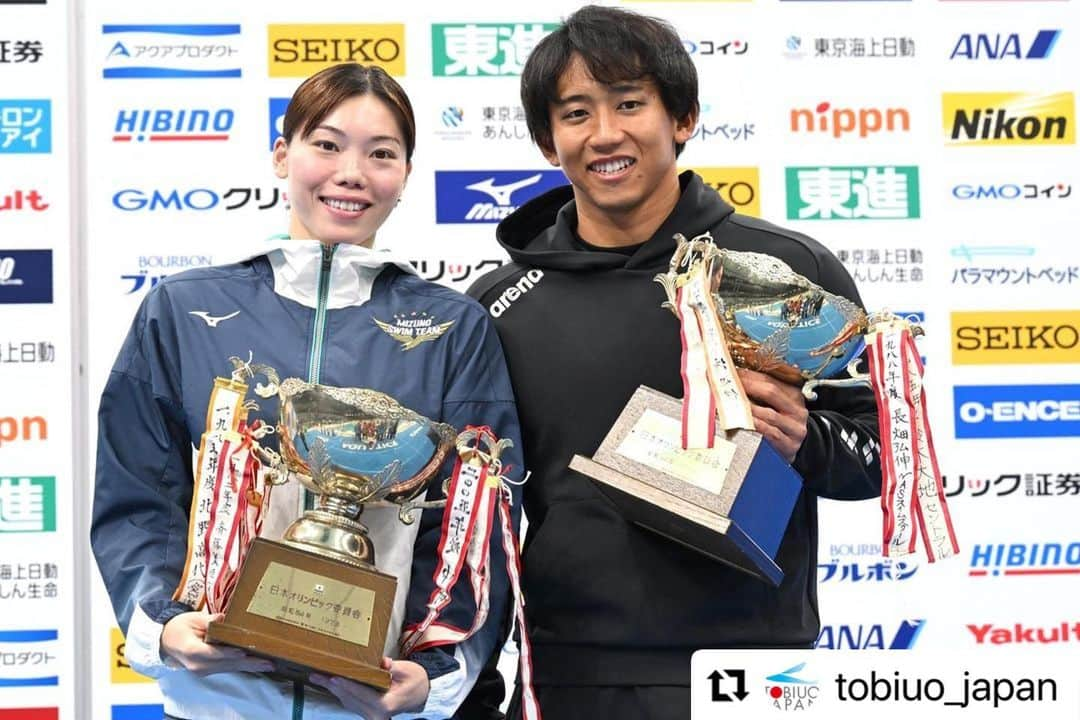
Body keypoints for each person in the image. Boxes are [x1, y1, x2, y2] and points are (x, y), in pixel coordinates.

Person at [465, 6, 884, 719]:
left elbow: (883, 453)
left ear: (682, 117)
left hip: (753, 668)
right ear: (547, 140)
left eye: (630, 104)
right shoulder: (500, 304)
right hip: (571, 671)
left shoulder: (787, 270)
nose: (605, 134)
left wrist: (804, 441)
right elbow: (478, 517)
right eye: (576, 113)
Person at [91, 63, 523, 720]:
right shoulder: (182, 310)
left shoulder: (453, 328)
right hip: (219, 701)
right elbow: (137, 496)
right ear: (281, 154)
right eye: (327, 144)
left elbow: (475, 525)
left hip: (375, 704)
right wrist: (163, 627)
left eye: (381, 154)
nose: (352, 172)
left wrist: (430, 678)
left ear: (406, 176)